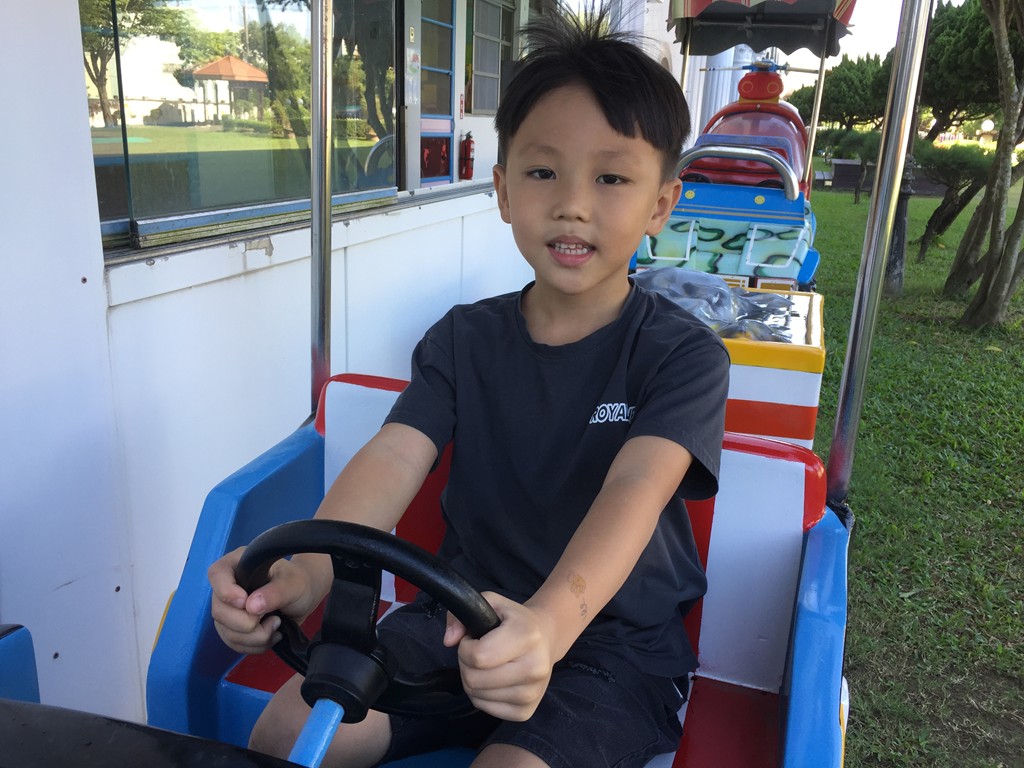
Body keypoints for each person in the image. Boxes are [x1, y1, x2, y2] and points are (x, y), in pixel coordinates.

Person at [208, 6, 730, 767]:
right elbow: (395, 456)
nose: (573, 203)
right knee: (285, 733)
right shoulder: (463, 339)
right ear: (504, 191)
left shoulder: (682, 357)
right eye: (543, 172)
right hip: (455, 619)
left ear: (660, 204)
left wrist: (547, 628)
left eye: (611, 177)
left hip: (606, 649)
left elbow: (636, 489)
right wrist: (304, 573)